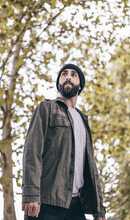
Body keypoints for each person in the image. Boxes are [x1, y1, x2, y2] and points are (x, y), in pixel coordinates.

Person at [22, 64, 106, 220]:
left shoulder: (83, 120)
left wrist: (99, 210)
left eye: (73, 74)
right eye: (64, 74)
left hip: (75, 206)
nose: (68, 76)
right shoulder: (46, 108)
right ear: (58, 83)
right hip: (46, 203)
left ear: (80, 85)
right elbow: (32, 151)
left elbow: (91, 168)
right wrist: (31, 194)